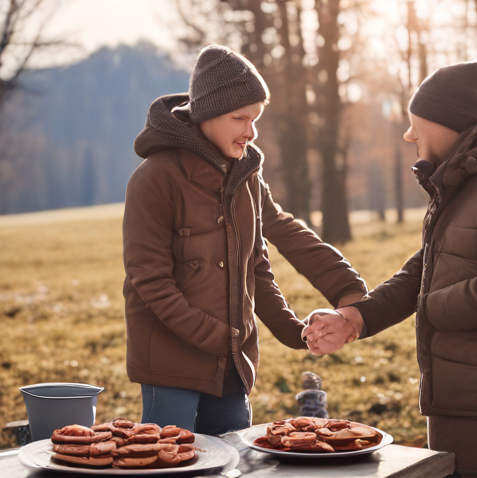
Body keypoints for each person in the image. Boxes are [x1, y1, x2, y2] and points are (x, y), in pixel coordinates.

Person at [123, 44, 366, 437]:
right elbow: (148, 281)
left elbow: (261, 260)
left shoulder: (246, 176)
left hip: (232, 366)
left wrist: (300, 325)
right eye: (240, 118)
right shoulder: (154, 179)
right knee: (171, 476)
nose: (251, 132)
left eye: (255, 120)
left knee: (232, 472)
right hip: (171, 367)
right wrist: (221, 336)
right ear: (207, 114)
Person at [303, 61, 477, 478]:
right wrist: (354, 317)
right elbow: (426, 268)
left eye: (417, 125)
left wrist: (431, 307)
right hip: (453, 401)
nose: (408, 136)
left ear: (447, 122)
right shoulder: (463, 184)